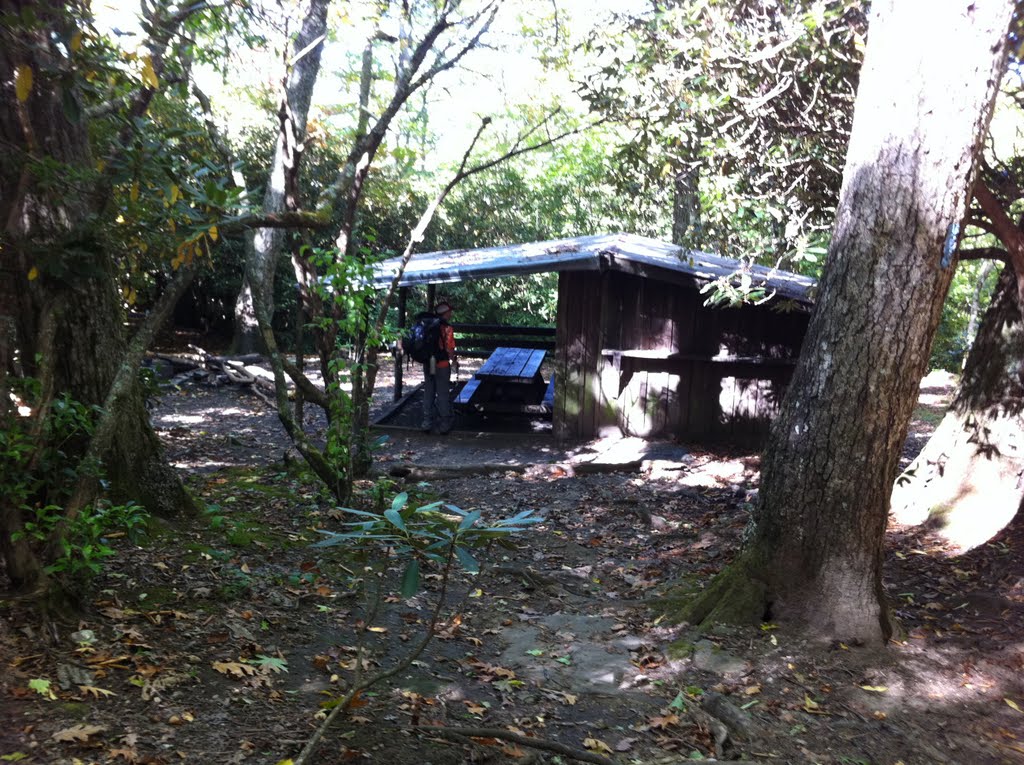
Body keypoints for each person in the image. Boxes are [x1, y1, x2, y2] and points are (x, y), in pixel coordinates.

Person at [422, 301, 458, 434]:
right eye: (449, 311)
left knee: (429, 390)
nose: (451, 313)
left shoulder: (427, 325)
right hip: (441, 364)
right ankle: (444, 423)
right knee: (443, 392)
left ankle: (427, 422)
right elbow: (449, 348)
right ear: (445, 313)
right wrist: (453, 360)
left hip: (428, 363)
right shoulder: (447, 328)